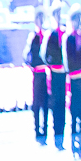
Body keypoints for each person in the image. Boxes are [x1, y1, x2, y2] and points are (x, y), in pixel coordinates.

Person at [64, 13, 81, 159]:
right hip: (73, 79)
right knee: (74, 114)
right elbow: (69, 61)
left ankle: (80, 144)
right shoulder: (69, 38)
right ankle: (74, 145)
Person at [45, 8, 70, 151]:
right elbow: (45, 54)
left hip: (63, 74)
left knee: (62, 104)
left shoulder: (65, 33)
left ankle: (62, 137)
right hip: (55, 73)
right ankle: (57, 138)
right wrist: (52, 63)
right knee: (56, 105)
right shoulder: (51, 34)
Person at [26, 11, 51, 146]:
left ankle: (45, 130)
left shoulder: (46, 36)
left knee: (45, 103)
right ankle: (37, 130)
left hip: (45, 73)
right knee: (36, 103)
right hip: (37, 73)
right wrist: (31, 65)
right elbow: (27, 55)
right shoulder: (33, 37)